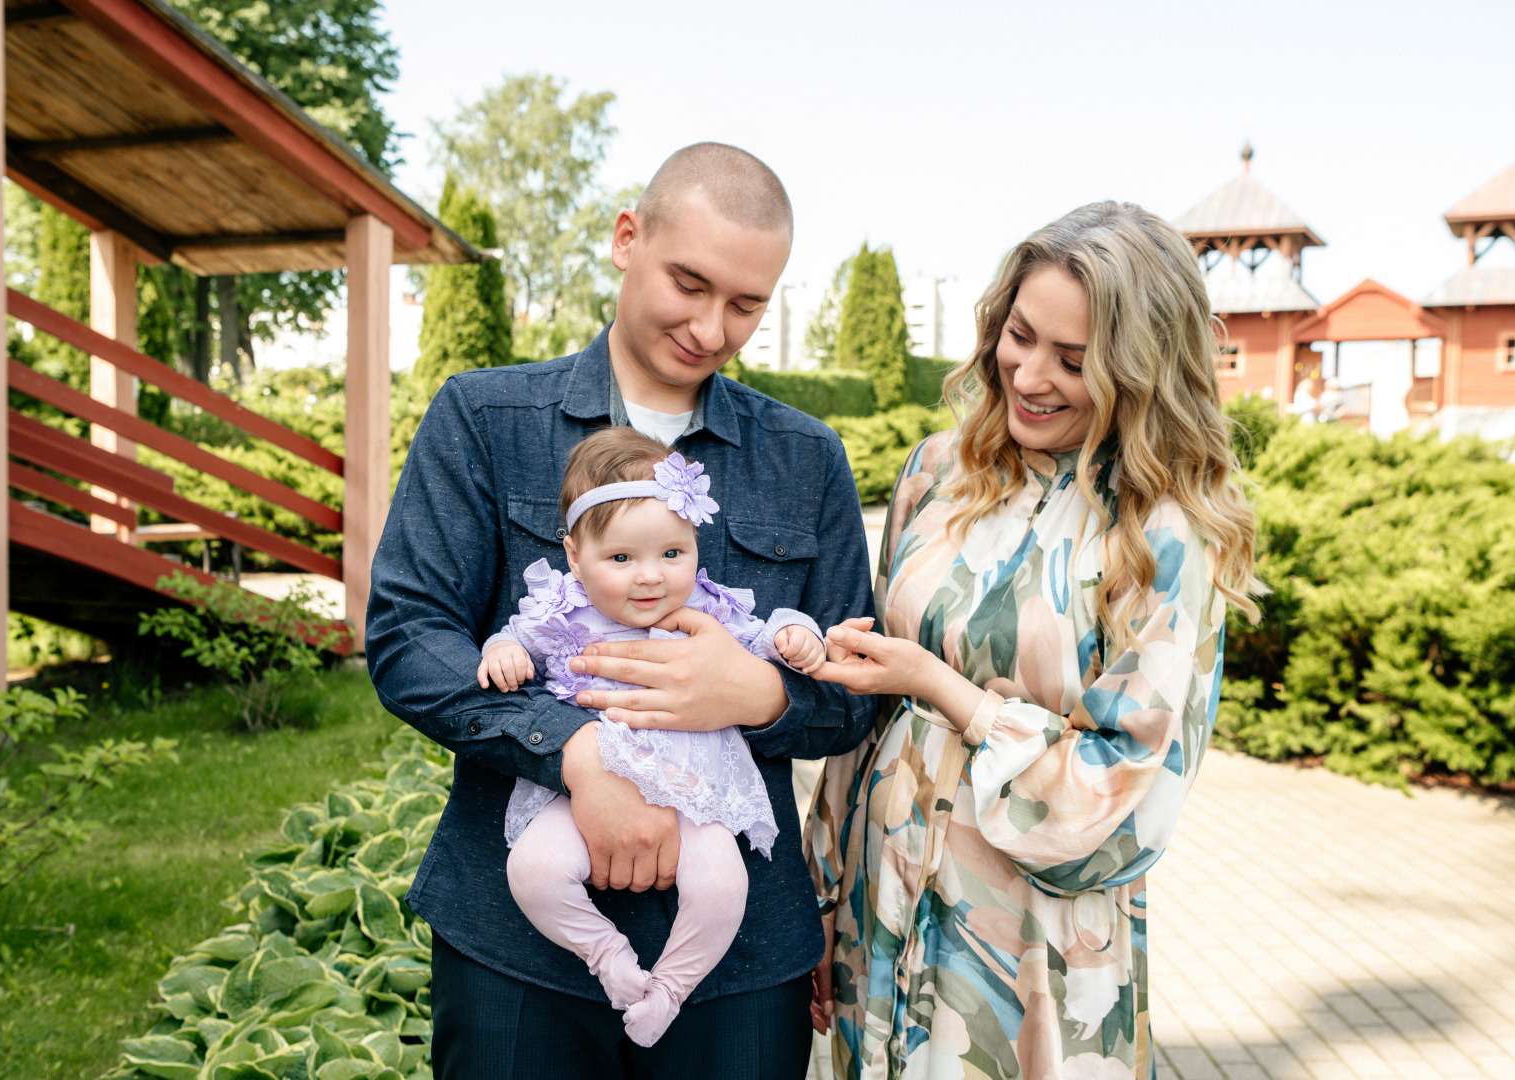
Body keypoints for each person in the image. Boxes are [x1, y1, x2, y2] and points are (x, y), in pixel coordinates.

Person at [366, 143, 878, 1079]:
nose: (711, 326)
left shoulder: (808, 460)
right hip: (516, 952)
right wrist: (572, 751)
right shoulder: (483, 419)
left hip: (741, 963)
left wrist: (757, 694)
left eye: (747, 304)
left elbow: (854, 697)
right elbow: (408, 639)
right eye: (689, 282)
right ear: (625, 239)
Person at [803, 201, 1263, 1079]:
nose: (1029, 374)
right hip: (882, 903)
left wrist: (949, 693)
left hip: (1031, 947)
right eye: (1019, 335)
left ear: (1141, 369)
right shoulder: (938, 472)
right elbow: (865, 704)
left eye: (1074, 360)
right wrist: (821, 890)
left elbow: (1125, 794)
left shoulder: (1163, 531)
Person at [475, 427, 826, 1047]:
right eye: (621, 559)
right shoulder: (565, 614)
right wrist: (503, 650)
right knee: (533, 869)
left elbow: (764, 636)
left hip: (695, 788)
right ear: (574, 556)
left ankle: (669, 988)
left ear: (694, 544)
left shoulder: (707, 611)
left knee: (722, 888)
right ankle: (608, 956)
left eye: (672, 553)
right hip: (586, 792)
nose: (651, 578)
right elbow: (516, 639)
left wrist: (794, 639)